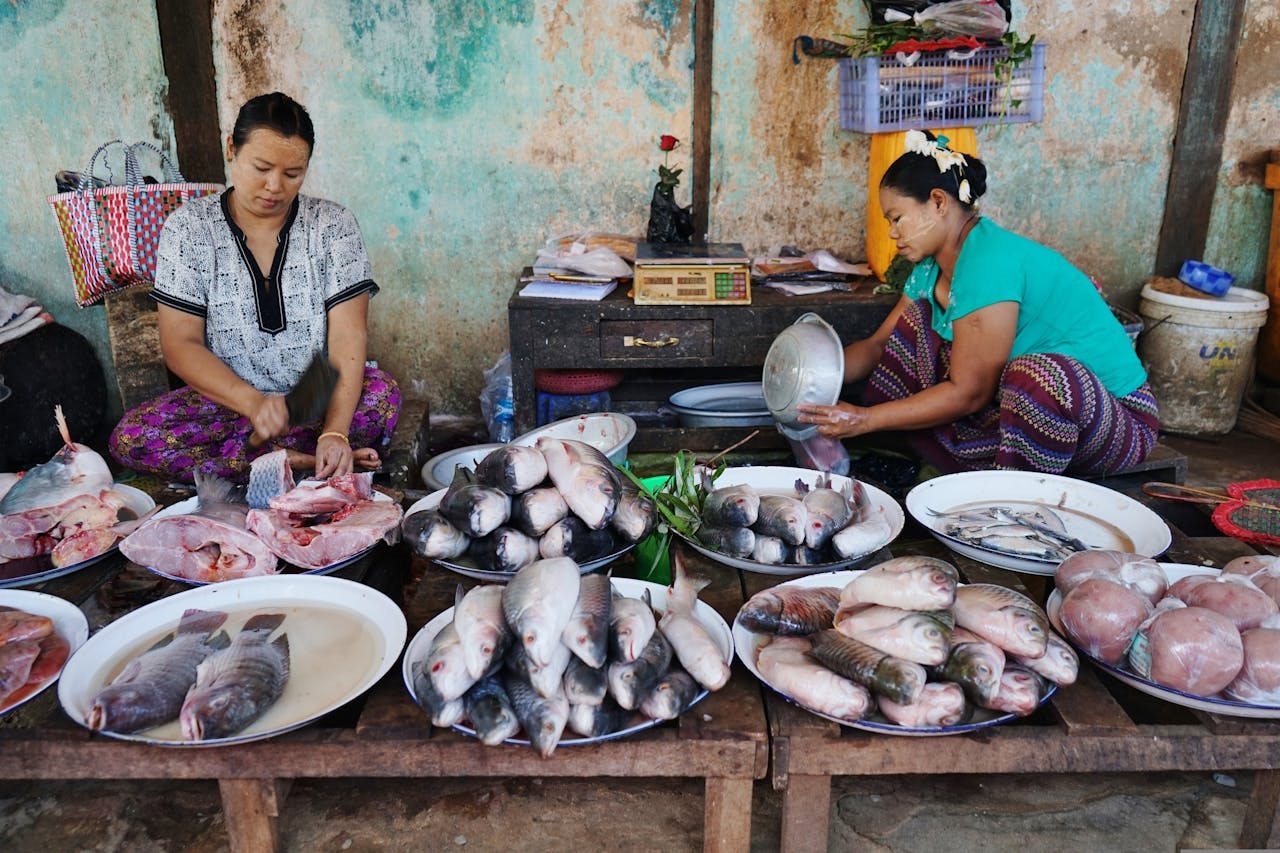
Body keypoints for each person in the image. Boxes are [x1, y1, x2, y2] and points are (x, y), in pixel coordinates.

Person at [796, 130, 1158, 476]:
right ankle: (964, 453)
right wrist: (806, 383)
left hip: (1114, 421)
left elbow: (970, 392)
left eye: (897, 218)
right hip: (1020, 408)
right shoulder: (929, 269)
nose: (892, 232)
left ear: (938, 202)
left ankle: (1014, 493)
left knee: (1037, 377)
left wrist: (864, 419)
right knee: (914, 326)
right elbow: (878, 345)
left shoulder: (988, 260)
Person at [110, 92, 400, 484]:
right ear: (232, 148)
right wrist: (254, 403)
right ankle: (297, 460)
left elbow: (348, 336)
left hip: (313, 402)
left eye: (293, 173)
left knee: (380, 396)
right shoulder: (188, 229)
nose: (274, 186)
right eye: (261, 167)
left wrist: (334, 431)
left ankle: (306, 452)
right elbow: (180, 344)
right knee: (133, 439)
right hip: (229, 405)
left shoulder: (333, 226)